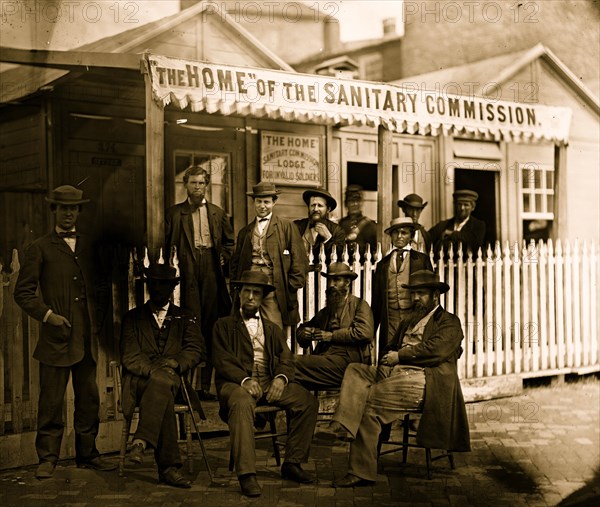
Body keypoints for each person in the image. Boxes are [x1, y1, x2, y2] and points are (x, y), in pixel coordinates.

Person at [330, 270, 471, 487]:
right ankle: (347, 424)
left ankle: (361, 472)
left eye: (421, 294)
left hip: (423, 378)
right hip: (396, 372)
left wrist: (401, 356)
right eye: (413, 293)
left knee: (370, 403)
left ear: (435, 295)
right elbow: (392, 345)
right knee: (356, 370)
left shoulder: (449, 322)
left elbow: (436, 350)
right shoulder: (409, 320)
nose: (415, 299)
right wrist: (389, 357)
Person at [13, 185, 115, 478]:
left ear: (79, 212)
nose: (69, 213)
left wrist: (98, 320)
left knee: (88, 399)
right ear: (54, 210)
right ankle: (47, 458)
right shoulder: (40, 248)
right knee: (51, 402)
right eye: (63, 208)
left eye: (74, 208)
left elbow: (100, 287)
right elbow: (23, 293)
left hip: (85, 339)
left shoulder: (89, 247)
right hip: (55, 339)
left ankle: (88, 454)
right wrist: (48, 316)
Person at [212, 271, 318, 497]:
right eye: (247, 291)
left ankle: (292, 463)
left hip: (268, 382)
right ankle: (247, 475)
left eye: (256, 293)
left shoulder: (272, 329)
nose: (251, 297)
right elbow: (222, 360)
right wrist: (245, 379)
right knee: (241, 403)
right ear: (239, 294)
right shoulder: (222, 325)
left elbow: (286, 358)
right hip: (236, 384)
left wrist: (281, 378)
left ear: (262, 299)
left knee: (306, 401)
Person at [120, 263, 205, 488]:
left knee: (164, 385)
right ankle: (168, 469)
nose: (159, 290)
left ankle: (141, 441)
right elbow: (129, 355)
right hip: (140, 382)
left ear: (172, 288)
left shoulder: (186, 317)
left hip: (174, 380)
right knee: (162, 385)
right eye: (154, 285)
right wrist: (153, 370)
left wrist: (177, 363)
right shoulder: (132, 318)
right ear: (148, 287)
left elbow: (195, 349)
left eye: (164, 286)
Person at [165, 165, 234, 401]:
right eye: (193, 183)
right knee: (189, 324)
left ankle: (206, 386)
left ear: (206, 186)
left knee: (212, 326)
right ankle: (186, 387)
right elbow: (167, 245)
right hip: (188, 269)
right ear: (186, 185)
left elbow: (229, 243)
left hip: (211, 270)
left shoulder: (217, 213)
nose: (197, 187)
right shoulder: (175, 214)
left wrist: (225, 255)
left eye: (201, 183)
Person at [230, 181, 308, 330]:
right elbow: (235, 263)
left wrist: (289, 286)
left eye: (266, 202)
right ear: (254, 203)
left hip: (273, 286)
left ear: (274, 202)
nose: (262, 206)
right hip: (250, 286)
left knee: (273, 329)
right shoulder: (245, 232)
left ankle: (273, 354)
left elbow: (299, 260)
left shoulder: (286, 227)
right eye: (259, 201)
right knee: (247, 327)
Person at [295, 262, 374, 390]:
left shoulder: (359, 305)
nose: (331, 285)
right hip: (325, 362)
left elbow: (365, 333)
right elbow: (303, 329)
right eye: (330, 280)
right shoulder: (326, 311)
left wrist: (331, 336)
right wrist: (304, 333)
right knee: (287, 367)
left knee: (290, 364)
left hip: (349, 365)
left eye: (336, 280)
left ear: (347, 282)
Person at [372, 218, 433, 355]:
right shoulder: (382, 264)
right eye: (395, 233)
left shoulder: (421, 260)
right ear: (391, 236)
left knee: (411, 354)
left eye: (404, 232)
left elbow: (431, 294)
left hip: (413, 318)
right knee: (388, 356)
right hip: (390, 319)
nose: (399, 236)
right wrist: (372, 332)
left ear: (411, 236)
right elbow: (377, 301)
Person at [428, 189, 486, 259]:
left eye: (466, 205)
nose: (462, 208)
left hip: (470, 267)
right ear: (455, 206)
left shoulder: (478, 225)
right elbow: (428, 238)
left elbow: (475, 241)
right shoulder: (444, 225)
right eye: (459, 204)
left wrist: (451, 234)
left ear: (472, 207)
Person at [294, 188, 345, 265]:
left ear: (328, 209)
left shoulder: (337, 230)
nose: (316, 209)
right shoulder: (296, 226)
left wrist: (328, 238)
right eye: (313, 205)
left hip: (324, 275)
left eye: (320, 205)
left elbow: (339, 257)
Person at [338, 185, 377, 261]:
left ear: (362, 203)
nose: (355, 204)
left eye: (358, 201)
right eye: (351, 201)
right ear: (346, 204)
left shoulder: (371, 226)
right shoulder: (340, 225)